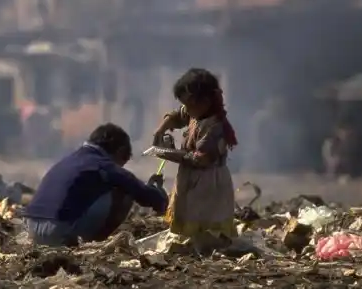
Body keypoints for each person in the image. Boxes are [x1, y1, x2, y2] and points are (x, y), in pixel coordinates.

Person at [23, 123, 168, 247]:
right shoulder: (103, 165)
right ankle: (90, 244)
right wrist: (159, 193)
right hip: (58, 232)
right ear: (120, 152)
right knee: (123, 191)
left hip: (32, 230)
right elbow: (143, 193)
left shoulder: (69, 161)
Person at [152, 68, 237, 249]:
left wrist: (168, 153)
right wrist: (161, 129)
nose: (187, 110)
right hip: (190, 177)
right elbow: (178, 116)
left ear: (205, 101)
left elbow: (200, 159)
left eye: (189, 105)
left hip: (208, 181)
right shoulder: (195, 112)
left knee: (203, 221)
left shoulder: (215, 126)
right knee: (187, 214)